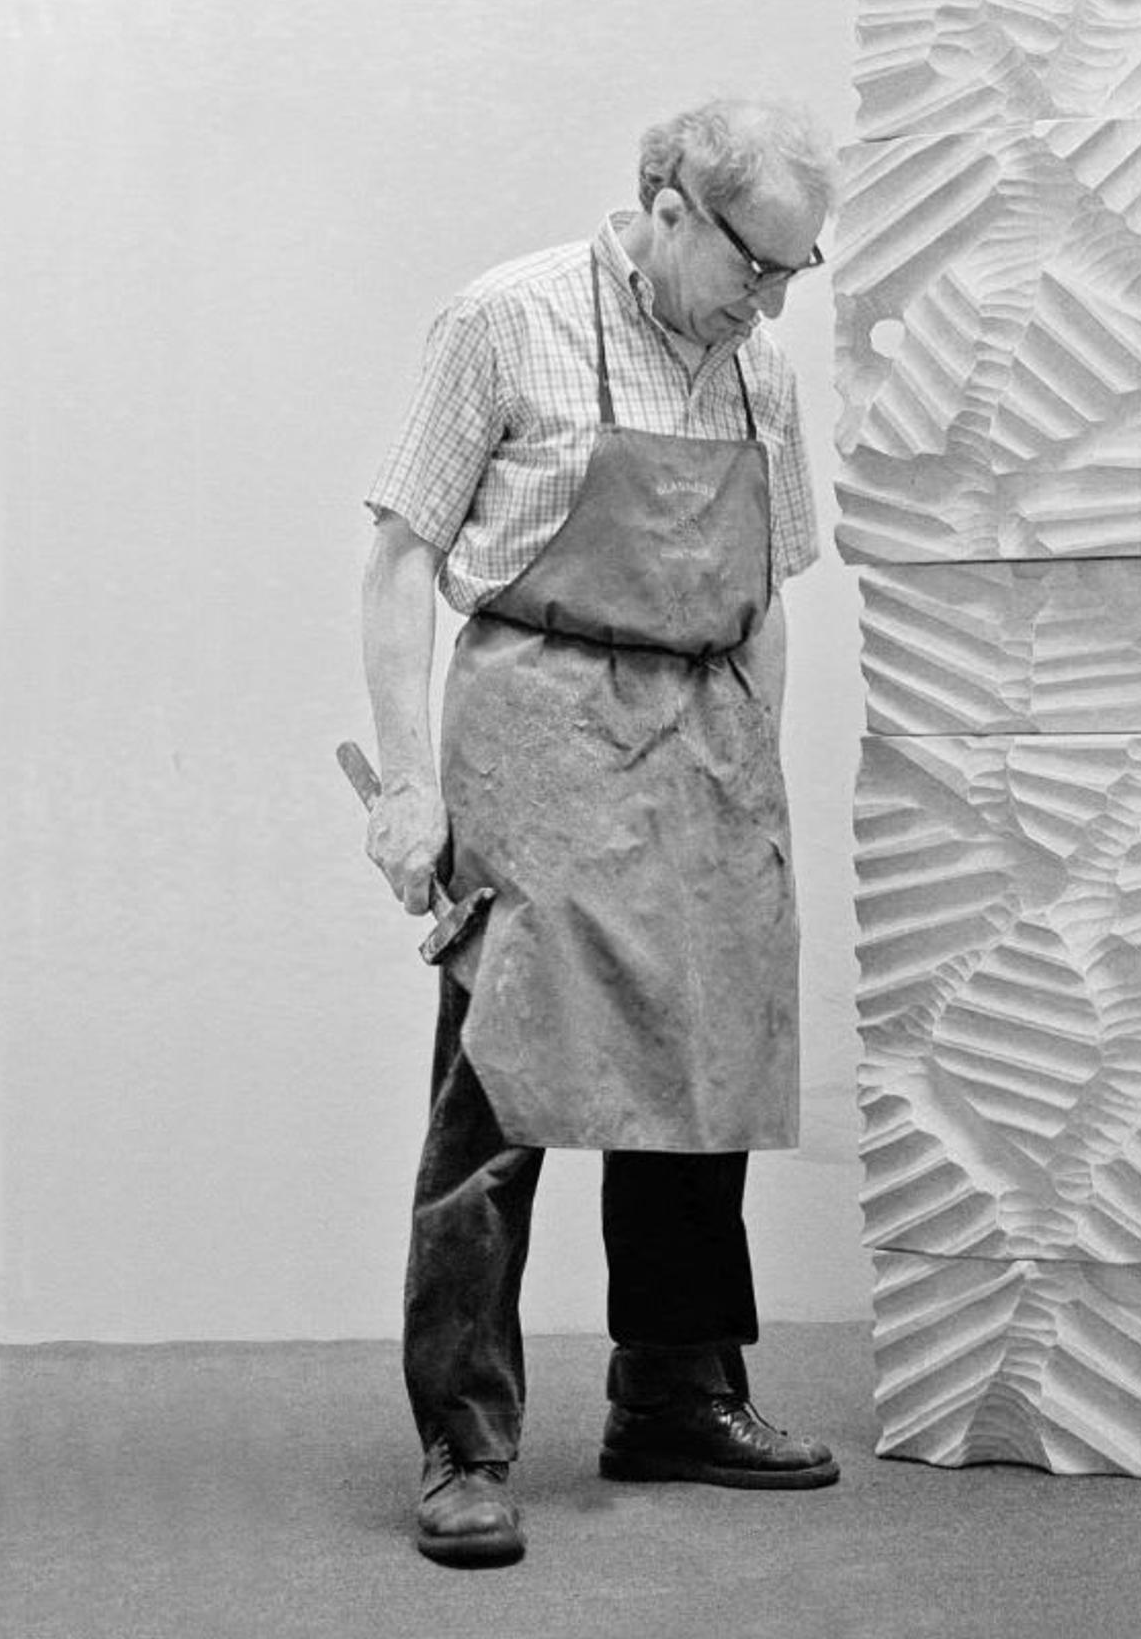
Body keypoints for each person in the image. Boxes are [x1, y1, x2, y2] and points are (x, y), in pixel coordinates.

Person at [359, 99, 839, 1568]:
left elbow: (768, 591)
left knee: (702, 1068)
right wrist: (409, 786)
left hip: (706, 743)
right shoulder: (504, 322)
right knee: (499, 1087)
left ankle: (677, 1393)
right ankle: (464, 1439)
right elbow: (399, 560)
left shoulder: (760, 372)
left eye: (795, 274)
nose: (769, 304)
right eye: (755, 266)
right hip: (540, 732)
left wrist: (757, 772)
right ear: (668, 205)